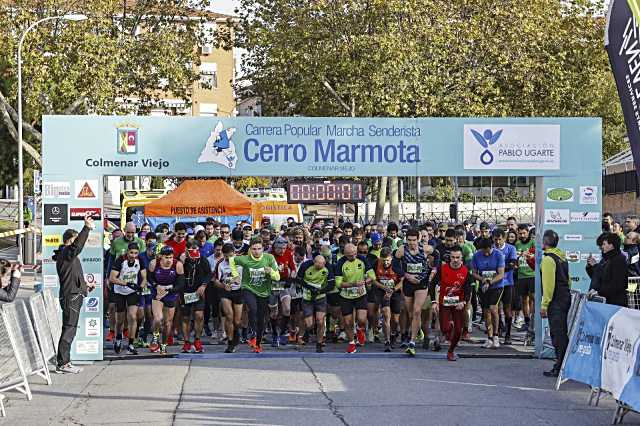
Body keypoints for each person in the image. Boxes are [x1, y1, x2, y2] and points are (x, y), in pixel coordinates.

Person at [53, 213, 97, 374]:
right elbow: (76, 247)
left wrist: (86, 287)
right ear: (70, 240)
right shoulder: (67, 253)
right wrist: (86, 228)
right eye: (76, 239)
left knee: (70, 328)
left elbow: (75, 277)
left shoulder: (69, 256)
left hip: (74, 295)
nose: (79, 244)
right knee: (69, 328)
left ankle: (64, 361)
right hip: (71, 297)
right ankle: (63, 363)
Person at [229, 237, 280, 353]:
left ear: (263, 249)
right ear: (250, 249)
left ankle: (258, 343)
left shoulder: (269, 258)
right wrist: (235, 274)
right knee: (253, 309)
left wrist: (271, 272)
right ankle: (252, 332)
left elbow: (277, 277)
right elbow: (232, 260)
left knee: (261, 319)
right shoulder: (245, 259)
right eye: (254, 249)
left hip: (263, 291)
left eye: (259, 249)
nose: (256, 251)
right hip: (248, 288)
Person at [396, 229, 438, 356]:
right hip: (408, 283)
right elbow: (394, 265)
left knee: (417, 310)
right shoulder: (402, 250)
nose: (412, 243)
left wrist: (434, 269)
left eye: (414, 240)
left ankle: (412, 342)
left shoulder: (426, 248)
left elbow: (437, 255)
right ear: (406, 240)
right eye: (409, 240)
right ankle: (417, 330)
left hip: (421, 283)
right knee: (410, 314)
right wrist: (406, 275)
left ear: (418, 239)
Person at [431, 246, 473, 361]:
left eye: (457, 257)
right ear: (449, 257)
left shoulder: (465, 271)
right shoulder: (442, 269)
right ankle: (449, 329)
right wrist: (434, 302)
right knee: (444, 328)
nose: (455, 260)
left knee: (458, 331)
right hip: (444, 302)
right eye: (453, 257)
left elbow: (469, 290)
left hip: (458, 303)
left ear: (461, 258)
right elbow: (432, 284)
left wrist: (464, 301)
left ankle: (451, 351)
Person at [540, 230, 570, 377]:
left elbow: (548, 285)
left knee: (558, 335)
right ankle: (561, 364)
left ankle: (560, 366)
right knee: (561, 333)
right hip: (564, 298)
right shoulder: (562, 257)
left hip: (556, 300)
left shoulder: (548, 260)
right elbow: (568, 280)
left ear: (544, 243)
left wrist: (544, 305)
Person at [109, 242, 147, 355]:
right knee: (120, 320)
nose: (133, 255)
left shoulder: (140, 260)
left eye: (135, 253)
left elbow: (145, 276)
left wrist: (141, 286)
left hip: (132, 292)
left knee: (132, 316)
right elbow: (112, 278)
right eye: (131, 252)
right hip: (119, 292)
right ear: (127, 251)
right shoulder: (120, 260)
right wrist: (126, 283)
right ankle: (118, 338)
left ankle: (131, 344)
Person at [335, 243, 373, 354]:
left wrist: (366, 282)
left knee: (361, 319)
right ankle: (351, 343)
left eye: (355, 254)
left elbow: (372, 276)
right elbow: (338, 283)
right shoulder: (340, 263)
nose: (354, 256)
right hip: (346, 296)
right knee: (348, 322)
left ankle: (360, 329)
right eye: (350, 255)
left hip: (360, 294)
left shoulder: (362, 259)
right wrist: (353, 284)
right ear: (345, 254)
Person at [147, 246, 185, 354]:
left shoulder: (177, 265)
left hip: (170, 292)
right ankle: (155, 337)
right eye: (166, 257)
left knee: (167, 323)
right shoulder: (154, 263)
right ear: (161, 257)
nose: (169, 260)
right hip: (158, 291)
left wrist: (169, 289)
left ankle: (163, 345)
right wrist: (156, 286)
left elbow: (181, 283)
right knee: (158, 318)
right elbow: (149, 278)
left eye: (171, 257)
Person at [471, 237, 505, 349]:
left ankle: (496, 336)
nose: (486, 253)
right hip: (483, 287)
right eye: (483, 251)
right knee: (486, 312)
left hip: (496, 286)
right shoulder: (476, 256)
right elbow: (474, 273)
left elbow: (501, 274)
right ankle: (489, 337)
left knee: (493, 309)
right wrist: (482, 279)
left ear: (492, 247)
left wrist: (490, 282)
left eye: (488, 251)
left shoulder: (498, 255)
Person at [298, 255, 332, 353]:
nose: (320, 266)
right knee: (310, 324)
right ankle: (304, 334)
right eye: (318, 264)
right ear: (314, 262)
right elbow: (299, 280)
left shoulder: (327, 269)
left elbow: (331, 284)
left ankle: (319, 343)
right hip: (307, 298)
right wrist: (309, 287)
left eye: (322, 264)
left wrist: (320, 291)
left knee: (320, 321)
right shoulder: (305, 266)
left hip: (320, 298)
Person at [371, 247, 403, 352]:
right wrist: (383, 287)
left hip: (395, 291)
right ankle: (387, 340)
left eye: (387, 260)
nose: (385, 263)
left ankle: (393, 333)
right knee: (386, 314)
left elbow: (402, 281)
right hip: (382, 291)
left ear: (391, 258)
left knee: (395, 319)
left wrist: (392, 290)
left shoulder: (397, 264)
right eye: (383, 260)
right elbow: (373, 279)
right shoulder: (376, 263)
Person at [213, 243, 243, 353]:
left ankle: (236, 335)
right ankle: (230, 342)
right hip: (225, 292)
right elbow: (215, 280)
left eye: (230, 256)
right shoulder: (220, 264)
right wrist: (223, 286)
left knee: (237, 320)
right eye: (226, 256)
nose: (228, 259)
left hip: (238, 291)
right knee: (229, 316)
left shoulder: (241, 261)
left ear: (234, 253)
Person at [586, 232, 629, 307]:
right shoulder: (606, 259)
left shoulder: (619, 260)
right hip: (605, 302)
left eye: (604, 244)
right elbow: (598, 277)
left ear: (611, 245)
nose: (601, 247)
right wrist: (592, 266)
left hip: (615, 304)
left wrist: (599, 292)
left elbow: (616, 284)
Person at [492, 229, 517, 345]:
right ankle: (497, 330)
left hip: (507, 282)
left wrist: (499, 268)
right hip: (494, 283)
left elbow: (512, 265)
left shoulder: (511, 248)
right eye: (495, 239)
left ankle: (508, 334)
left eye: (500, 239)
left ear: (504, 238)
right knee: (495, 308)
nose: (497, 242)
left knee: (507, 308)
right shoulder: (491, 249)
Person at [270, 237, 296, 347]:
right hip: (272, 285)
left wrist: (291, 278)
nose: (282, 251)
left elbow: (293, 269)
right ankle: (275, 334)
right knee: (274, 312)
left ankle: (283, 332)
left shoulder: (288, 254)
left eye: (284, 248)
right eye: (280, 249)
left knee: (287, 309)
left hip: (284, 284)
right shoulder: (269, 255)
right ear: (275, 248)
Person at [515, 224, 536, 336]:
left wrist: (528, 255)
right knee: (524, 299)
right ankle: (527, 321)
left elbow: (536, 255)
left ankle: (533, 321)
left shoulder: (533, 242)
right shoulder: (517, 244)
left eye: (524, 233)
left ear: (528, 232)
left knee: (533, 298)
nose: (522, 235)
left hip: (532, 274)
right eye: (520, 233)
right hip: (521, 275)